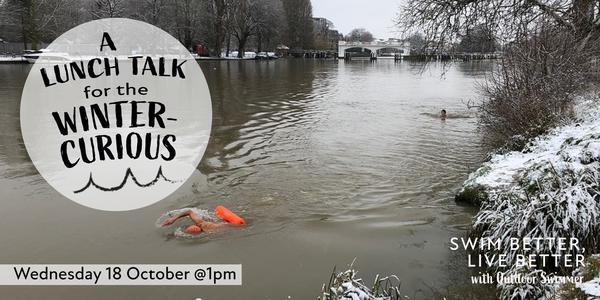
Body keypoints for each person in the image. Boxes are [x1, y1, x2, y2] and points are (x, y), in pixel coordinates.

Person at [160, 209, 225, 232]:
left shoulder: (202, 224)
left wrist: (173, 218)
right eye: (194, 230)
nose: (194, 229)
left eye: (193, 228)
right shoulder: (206, 229)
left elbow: (189, 211)